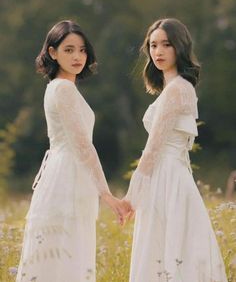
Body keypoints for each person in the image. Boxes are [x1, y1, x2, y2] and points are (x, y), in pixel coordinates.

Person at [16, 20, 131, 282]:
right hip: (66, 177)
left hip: (68, 175)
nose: (77, 56)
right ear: (52, 53)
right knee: (64, 256)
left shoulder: (59, 87)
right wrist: (108, 195)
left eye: (81, 50)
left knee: (62, 256)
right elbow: (83, 146)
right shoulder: (64, 88)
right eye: (68, 50)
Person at [123, 18, 228, 282]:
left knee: (168, 248)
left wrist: (131, 196)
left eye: (166, 45)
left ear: (179, 47)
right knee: (172, 249)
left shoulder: (177, 90)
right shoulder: (179, 88)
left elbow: (153, 148)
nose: (158, 52)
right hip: (174, 175)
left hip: (166, 177)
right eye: (153, 45)